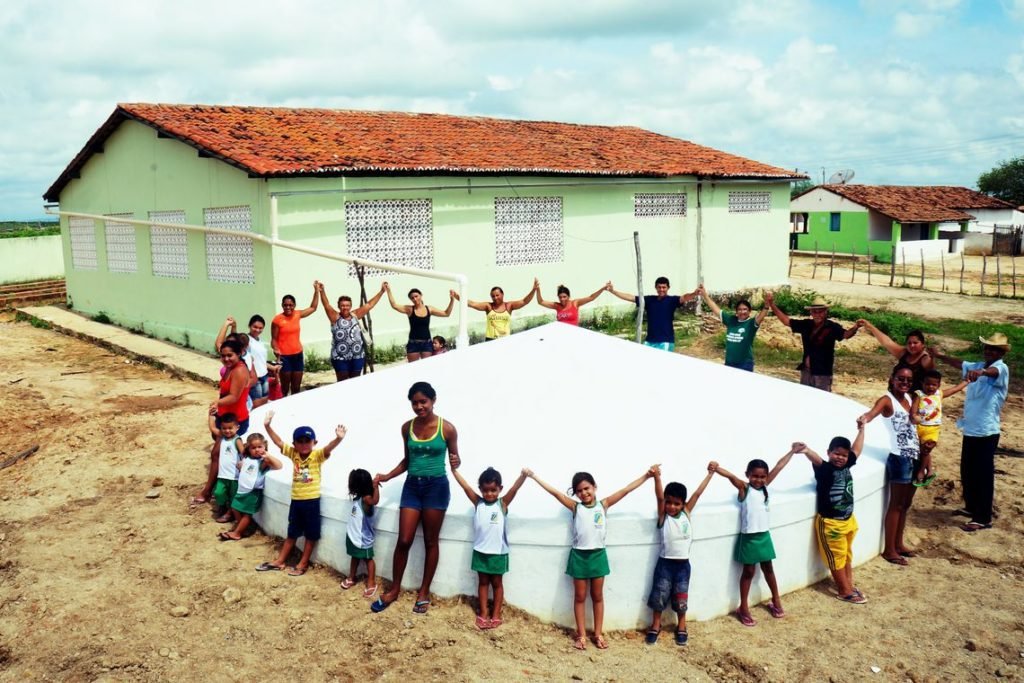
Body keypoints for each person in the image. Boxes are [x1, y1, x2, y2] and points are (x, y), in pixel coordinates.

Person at [525, 466, 656, 650]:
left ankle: (598, 633)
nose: (583, 493)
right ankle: (582, 635)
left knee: (597, 596)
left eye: (586, 488)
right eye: (579, 491)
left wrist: (647, 476)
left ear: (594, 487)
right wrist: (534, 476)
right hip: (579, 556)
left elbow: (626, 490)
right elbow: (554, 492)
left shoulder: (604, 505)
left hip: (598, 556)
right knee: (579, 597)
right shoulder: (575, 507)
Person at [371, 382, 461, 614]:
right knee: (404, 540)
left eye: (424, 402)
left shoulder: (447, 429)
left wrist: (456, 461)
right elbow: (407, 460)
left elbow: (455, 458)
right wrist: (388, 476)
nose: (420, 406)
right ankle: (394, 589)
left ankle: (424, 591)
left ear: (433, 400)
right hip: (412, 486)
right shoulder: (406, 428)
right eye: (415, 403)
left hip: (436, 487)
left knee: (431, 541)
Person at [932, 332, 1011, 532]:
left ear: (1001, 352)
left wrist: (982, 373)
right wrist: (940, 356)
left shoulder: (1001, 368)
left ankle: (983, 517)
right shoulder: (976, 366)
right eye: (987, 348)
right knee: (968, 472)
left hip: (986, 431)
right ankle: (972, 507)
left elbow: (993, 372)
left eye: (993, 349)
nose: (989, 351)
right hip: (970, 429)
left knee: (983, 475)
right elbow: (960, 364)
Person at [712, 448, 800, 625]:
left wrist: (792, 452)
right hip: (749, 538)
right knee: (749, 572)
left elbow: (779, 466)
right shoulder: (744, 489)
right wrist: (716, 468)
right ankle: (743, 607)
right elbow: (731, 477)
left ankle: (776, 600)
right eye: (755, 476)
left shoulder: (765, 488)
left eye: (762, 477)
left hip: (764, 536)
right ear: (748, 475)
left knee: (769, 569)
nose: (759, 480)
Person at [255, 411, 347, 576]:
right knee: (292, 532)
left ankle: (303, 563)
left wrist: (338, 439)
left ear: (314, 442)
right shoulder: (294, 454)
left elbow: (328, 448)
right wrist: (267, 426)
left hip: (311, 501)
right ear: (295, 444)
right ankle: (280, 561)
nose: (304, 444)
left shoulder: (317, 455)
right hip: (296, 500)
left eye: (307, 441)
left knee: (311, 534)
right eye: (300, 441)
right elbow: (277, 442)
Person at [451, 466, 529, 629]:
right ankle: (483, 613)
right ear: (481, 489)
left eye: (493, 490)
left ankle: (496, 614)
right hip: (480, 551)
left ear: (500, 489)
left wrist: (523, 476)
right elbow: (465, 487)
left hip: (498, 553)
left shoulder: (503, 504)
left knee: (497, 583)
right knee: (483, 583)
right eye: (485, 490)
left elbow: (514, 489)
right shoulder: (478, 503)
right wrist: (454, 471)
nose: (489, 494)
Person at [645, 463, 714, 647]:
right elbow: (659, 497)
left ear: (683, 504)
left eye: (677, 503)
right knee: (659, 596)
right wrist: (657, 477)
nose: (672, 506)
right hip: (665, 565)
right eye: (669, 502)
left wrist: (710, 475)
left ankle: (681, 625)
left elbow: (697, 494)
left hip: (683, 566)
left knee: (681, 597)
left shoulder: (686, 513)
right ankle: (656, 625)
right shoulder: (663, 517)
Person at [858, 365, 921, 564]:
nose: (904, 383)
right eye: (901, 379)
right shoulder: (887, 400)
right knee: (896, 505)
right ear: (892, 379)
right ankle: (889, 549)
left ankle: (899, 544)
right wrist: (864, 419)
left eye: (908, 380)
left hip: (914, 456)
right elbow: (872, 413)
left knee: (905, 504)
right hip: (899, 458)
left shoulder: (911, 399)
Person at [800, 423, 867, 603]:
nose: (840, 458)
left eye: (843, 455)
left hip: (848, 520)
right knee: (836, 557)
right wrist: (806, 450)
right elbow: (816, 460)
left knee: (846, 555)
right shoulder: (825, 470)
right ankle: (844, 591)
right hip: (831, 523)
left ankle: (849, 585)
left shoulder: (848, 463)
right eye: (836, 453)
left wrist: (862, 429)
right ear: (829, 452)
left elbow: (857, 449)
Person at [766, 293, 861, 391]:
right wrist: (772, 304)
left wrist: (855, 327)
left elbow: (846, 335)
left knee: (822, 401)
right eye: (815, 312)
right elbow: (786, 321)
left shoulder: (832, 327)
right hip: (806, 371)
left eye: (820, 312)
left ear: (825, 312)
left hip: (823, 372)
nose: (817, 314)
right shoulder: (806, 324)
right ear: (811, 313)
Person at [220, 433, 283, 541]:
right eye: (253, 448)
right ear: (248, 449)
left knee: (247, 514)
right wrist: (240, 465)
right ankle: (243, 528)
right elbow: (244, 467)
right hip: (242, 490)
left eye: (260, 447)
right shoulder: (246, 458)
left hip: (252, 492)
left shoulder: (263, 461)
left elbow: (279, 465)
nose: (257, 450)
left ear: (265, 446)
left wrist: (267, 455)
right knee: (235, 508)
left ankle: (237, 533)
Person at [318, 281, 385, 381]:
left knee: (355, 382)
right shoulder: (335, 317)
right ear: (339, 306)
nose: (345, 307)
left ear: (351, 306)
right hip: (340, 357)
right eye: (343, 305)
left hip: (357, 356)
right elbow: (326, 304)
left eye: (347, 305)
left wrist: (382, 291)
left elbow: (369, 304)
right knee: (343, 382)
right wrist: (322, 291)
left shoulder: (355, 315)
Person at [609, 276, 698, 351]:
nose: (661, 289)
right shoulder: (649, 300)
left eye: (664, 287)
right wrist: (613, 291)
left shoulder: (672, 300)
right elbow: (631, 297)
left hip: (665, 341)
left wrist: (695, 293)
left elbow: (684, 297)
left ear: (668, 288)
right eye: (659, 287)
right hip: (649, 341)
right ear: (656, 287)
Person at [911, 369, 969, 479]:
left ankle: (921, 471)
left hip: (933, 428)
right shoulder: (919, 394)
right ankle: (929, 470)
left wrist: (966, 381)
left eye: (934, 385)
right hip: (919, 427)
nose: (931, 387)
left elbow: (954, 389)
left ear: (939, 385)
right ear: (922, 383)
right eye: (927, 384)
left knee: (926, 449)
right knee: (921, 451)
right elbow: (913, 410)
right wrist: (914, 416)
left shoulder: (939, 394)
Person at [696, 285, 769, 371]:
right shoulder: (731, 320)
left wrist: (767, 305)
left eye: (745, 309)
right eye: (739, 309)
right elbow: (715, 309)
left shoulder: (751, 323)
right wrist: (705, 295)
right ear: (736, 311)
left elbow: (761, 316)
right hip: (729, 363)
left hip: (745, 364)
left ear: (749, 311)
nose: (742, 312)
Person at [385, 284, 456, 361]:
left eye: (416, 296)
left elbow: (446, 313)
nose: (415, 299)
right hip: (413, 344)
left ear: (421, 295)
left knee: (427, 367)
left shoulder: (429, 309)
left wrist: (452, 300)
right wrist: (388, 290)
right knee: (413, 368)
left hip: (427, 344)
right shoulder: (409, 309)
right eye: (412, 298)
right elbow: (394, 305)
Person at [271, 284, 320, 396]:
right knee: (284, 387)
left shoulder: (297, 314)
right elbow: (273, 339)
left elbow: (313, 308)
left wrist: (316, 291)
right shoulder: (277, 320)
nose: (288, 307)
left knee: (296, 387)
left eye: (291, 305)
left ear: (294, 305)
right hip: (284, 357)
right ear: (282, 305)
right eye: (285, 305)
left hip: (297, 355)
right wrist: (275, 348)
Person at [858, 322, 934, 391]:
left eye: (915, 343)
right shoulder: (903, 353)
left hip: (913, 399)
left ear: (923, 344)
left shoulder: (925, 358)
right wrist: (870, 326)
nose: (912, 345)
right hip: (895, 394)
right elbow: (887, 342)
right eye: (909, 343)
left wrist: (932, 358)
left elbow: (930, 366)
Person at [342, 468, 380, 598]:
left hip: (363, 538)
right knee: (354, 556)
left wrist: (375, 487)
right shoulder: (358, 498)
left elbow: (375, 501)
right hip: (353, 536)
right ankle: (352, 577)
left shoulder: (366, 499)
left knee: (368, 559)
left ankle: (371, 582)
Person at [457, 279, 538, 340]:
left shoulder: (509, 306)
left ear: (502, 294)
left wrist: (534, 289)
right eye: (493, 296)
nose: (495, 298)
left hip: (505, 340)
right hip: (490, 340)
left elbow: (524, 301)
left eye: (497, 295)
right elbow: (472, 304)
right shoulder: (488, 306)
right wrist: (457, 297)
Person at [206, 409, 243, 524]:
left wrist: (243, 463)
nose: (227, 431)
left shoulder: (237, 440)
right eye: (224, 428)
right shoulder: (222, 437)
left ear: (237, 427)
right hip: (222, 474)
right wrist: (211, 416)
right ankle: (223, 507)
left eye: (230, 428)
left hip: (234, 476)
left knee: (233, 496)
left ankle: (230, 514)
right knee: (218, 492)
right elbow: (212, 428)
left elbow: (243, 453)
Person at [213, 338, 250, 435]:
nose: (226, 359)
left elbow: (234, 397)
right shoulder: (230, 368)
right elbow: (218, 344)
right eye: (223, 356)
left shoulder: (239, 371)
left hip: (236, 420)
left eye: (230, 355)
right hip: (225, 417)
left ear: (238, 354)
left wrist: (217, 403)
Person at [536, 282, 610, 326]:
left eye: (564, 297)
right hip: (561, 334)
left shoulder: (575, 303)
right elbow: (540, 302)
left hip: (574, 333)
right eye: (560, 297)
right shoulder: (556, 306)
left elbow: (591, 297)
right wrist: (537, 289)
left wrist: (602, 289)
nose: (562, 299)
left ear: (569, 296)